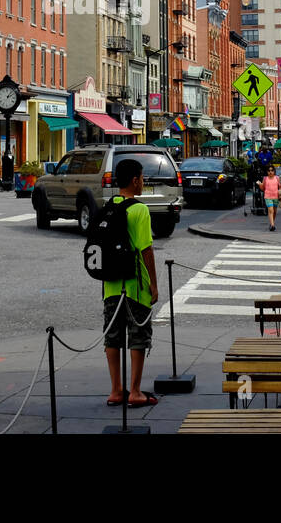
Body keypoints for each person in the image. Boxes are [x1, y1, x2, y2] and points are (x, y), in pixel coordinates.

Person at [102, 158, 159, 408]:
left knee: (112, 337)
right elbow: (146, 250)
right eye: (142, 177)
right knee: (138, 336)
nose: (143, 182)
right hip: (135, 286)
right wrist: (154, 285)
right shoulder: (140, 210)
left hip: (111, 286)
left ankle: (116, 390)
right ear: (135, 180)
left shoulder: (108, 205)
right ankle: (135, 391)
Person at [258, 165, 281, 232]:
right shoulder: (265, 178)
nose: (270, 172)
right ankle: (272, 225)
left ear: (274, 171)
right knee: (270, 210)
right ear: (267, 172)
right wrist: (260, 185)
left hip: (276, 196)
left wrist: (280, 194)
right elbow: (263, 189)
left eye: (272, 170)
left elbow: (280, 187)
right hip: (268, 196)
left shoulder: (277, 178)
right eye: (269, 170)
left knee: (274, 211)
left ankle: (272, 223)